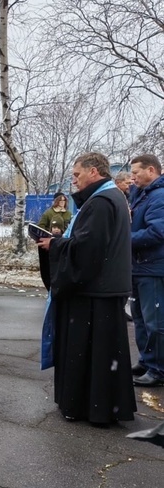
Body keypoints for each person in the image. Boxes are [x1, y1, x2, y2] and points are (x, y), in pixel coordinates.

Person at [37, 152, 136, 424]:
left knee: (88, 353)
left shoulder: (101, 202)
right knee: (102, 356)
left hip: (94, 292)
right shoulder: (110, 197)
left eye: (77, 174)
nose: (74, 180)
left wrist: (54, 245)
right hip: (104, 289)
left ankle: (85, 406)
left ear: (94, 172)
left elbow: (88, 249)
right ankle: (101, 407)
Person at [129, 154, 164, 387]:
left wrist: (124, 239)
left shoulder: (159, 197)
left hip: (152, 268)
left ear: (151, 170)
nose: (132, 178)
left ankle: (158, 369)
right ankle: (146, 360)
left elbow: (157, 232)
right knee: (140, 319)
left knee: (155, 322)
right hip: (139, 267)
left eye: (136, 173)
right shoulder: (143, 195)